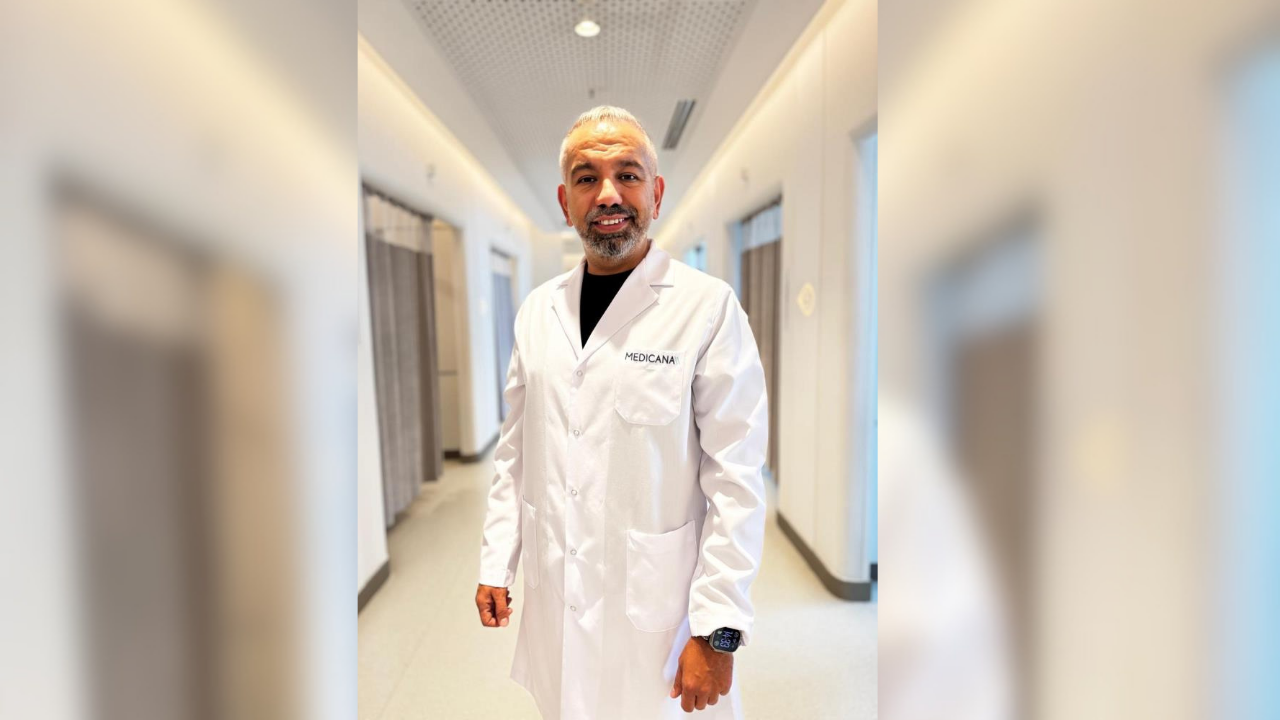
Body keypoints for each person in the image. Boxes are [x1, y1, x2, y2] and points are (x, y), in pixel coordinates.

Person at [474, 106, 769, 719]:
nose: (608, 194)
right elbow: (514, 454)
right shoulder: (537, 313)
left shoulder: (707, 309)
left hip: (662, 621)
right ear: (566, 202)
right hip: (559, 601)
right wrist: (497, 561)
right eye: (587, 178)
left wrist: (717, 630)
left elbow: (736, 480)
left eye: (627, 175)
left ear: (655, 193)